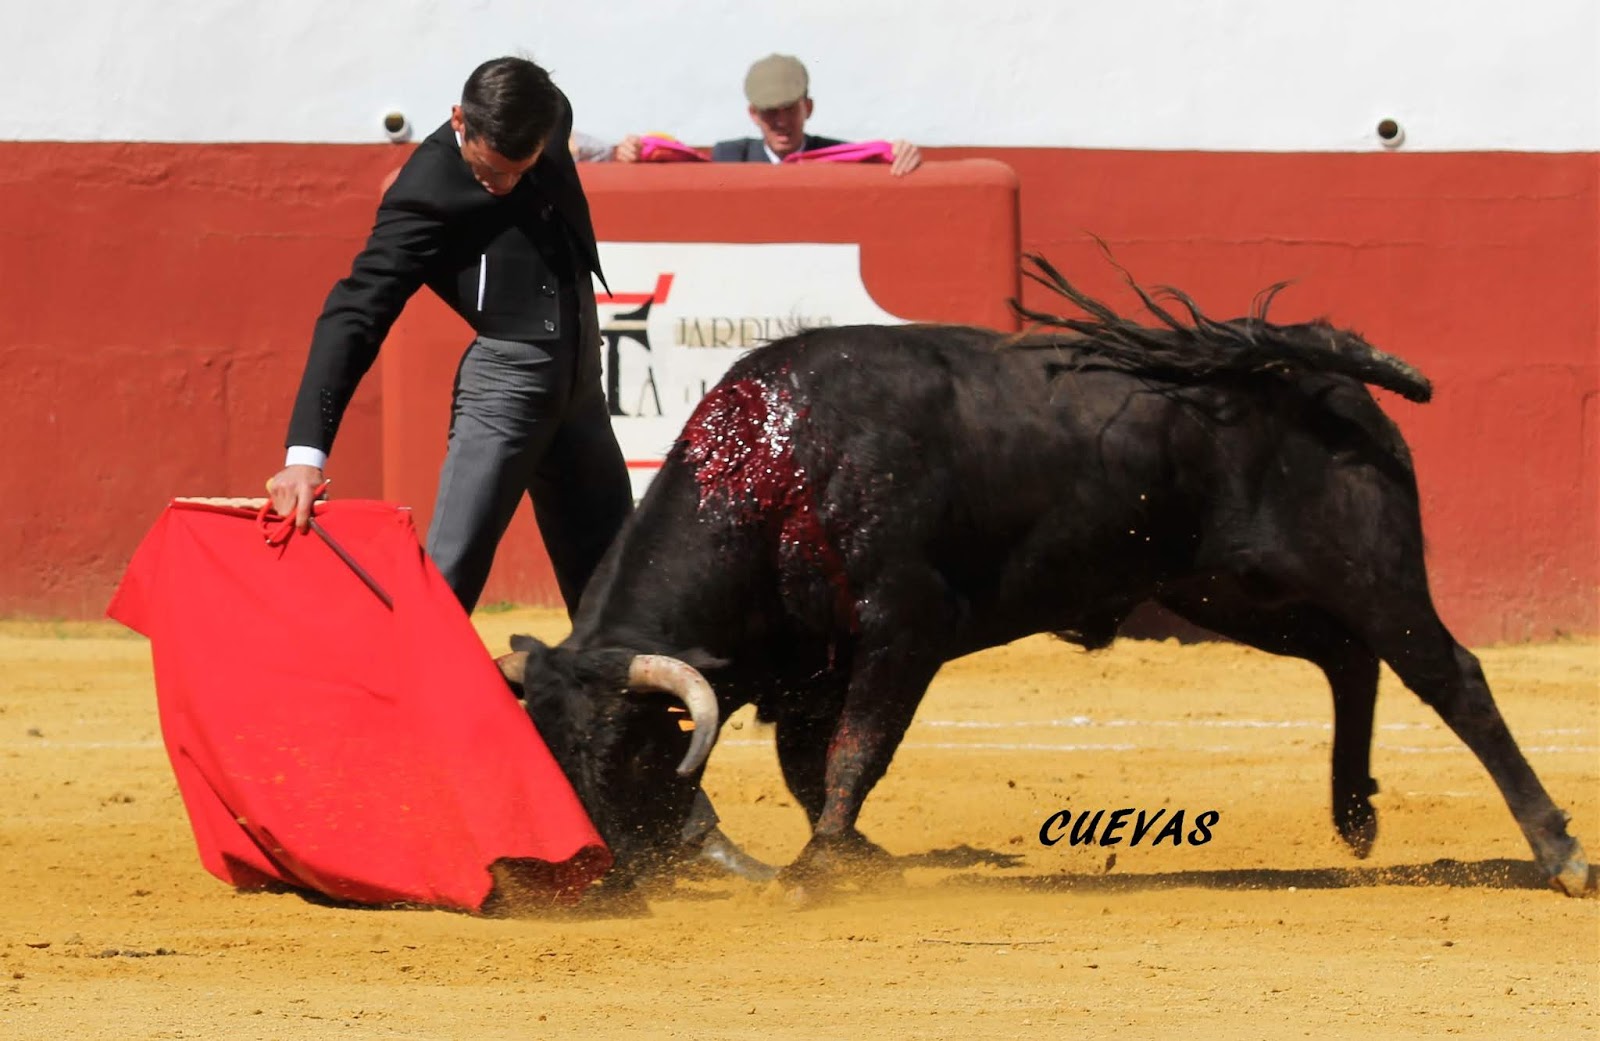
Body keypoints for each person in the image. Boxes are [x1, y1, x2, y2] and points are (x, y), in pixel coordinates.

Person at [266, 56, 770, 882]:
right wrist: (303, 455)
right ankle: (356, 809)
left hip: (578, 387)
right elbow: (355, 311)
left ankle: (673, 831)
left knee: (622, 608)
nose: (501, 187)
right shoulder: (427, 188)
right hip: (505, 388)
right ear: (457, 120)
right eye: (488, 171)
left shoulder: (553, 118)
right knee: (444, 588)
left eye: (521, 170)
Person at [614, 54, 923, 175]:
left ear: (808, 109)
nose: (781, 122)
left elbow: (886, 162)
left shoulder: (836, 156)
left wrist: (901, 154)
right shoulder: (729, 155)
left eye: (790, 110)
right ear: (753, 115)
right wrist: (637, 152)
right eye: (769, 113)